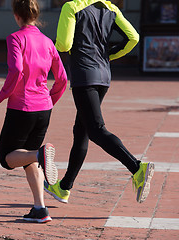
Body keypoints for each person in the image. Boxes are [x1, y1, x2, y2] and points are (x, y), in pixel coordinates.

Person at [44, 0, 154, 204]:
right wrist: (110, 55)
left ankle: (137, 168)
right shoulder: (111, 8)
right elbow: (133, 38)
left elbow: (64, 44)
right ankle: (64, 187)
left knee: (95, 130)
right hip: (103, 76)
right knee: (81, 131)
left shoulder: (72, 7)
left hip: (84, 77)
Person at [0, 0, 67, 223]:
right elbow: (62, 78)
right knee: (29, 159)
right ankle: (40, 209)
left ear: (16, 15)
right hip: (44, 109)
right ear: (35, 14)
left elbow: (16, 69)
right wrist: (48, 101)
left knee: (7, 158)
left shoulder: (15, 38)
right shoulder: (47, 42)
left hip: (21, 107)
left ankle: (40, 154)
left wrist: (1, 96)